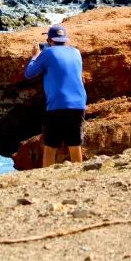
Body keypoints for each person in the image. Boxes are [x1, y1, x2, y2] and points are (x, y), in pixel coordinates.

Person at [24, 24, 87, 168]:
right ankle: (78, 175)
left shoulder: (48, 53)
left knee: (50, 146)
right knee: (75, 144)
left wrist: (34, 56)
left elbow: (29, 73)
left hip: (57, 104)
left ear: (49, 40)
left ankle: (47, 176)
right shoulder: (76, 52)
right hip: (78, 103)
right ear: (65, 40)